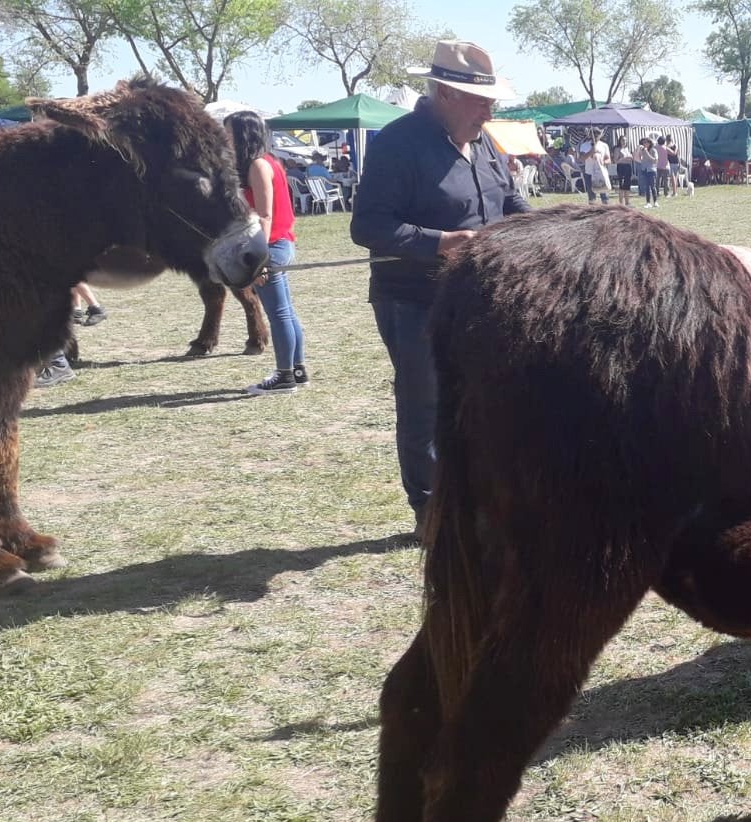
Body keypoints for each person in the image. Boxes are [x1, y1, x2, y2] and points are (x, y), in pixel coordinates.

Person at [350, 39, 529, 536]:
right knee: (424, 403)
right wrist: (439, 242)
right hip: (413, 299)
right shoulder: (397, 143)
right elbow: (368, 226)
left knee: (481, 398)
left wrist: (547, 232)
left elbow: (511, 204)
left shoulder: (485, 141)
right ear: (446, 95)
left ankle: (478, 498)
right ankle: (430, 515)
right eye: (481, 99)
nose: (490, 109)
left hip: (482, 294)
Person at [225, 111, 307, 395]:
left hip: (271, 246)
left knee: (279, 313)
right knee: (286, 311)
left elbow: (265, 216)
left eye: (229, 133)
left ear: (242, 135)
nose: (226, 139)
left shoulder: (259, 165)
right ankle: (297, 370)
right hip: (277, 244)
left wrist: (257, 259)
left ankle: (285, 376)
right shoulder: (268, 162)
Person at [579, 128, 610, 204]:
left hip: (601, 173)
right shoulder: (584, 145)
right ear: (590, 134)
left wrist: (603, 162)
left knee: (604, 196)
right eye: (594, 133)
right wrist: (591, 151)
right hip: (589, 173)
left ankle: (606, 212)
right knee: (592, 197)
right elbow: (582, 159)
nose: (595, 135)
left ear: (600, 135)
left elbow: (608, 159)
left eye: (597, 134)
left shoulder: (604, 145)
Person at [634, 136, 659, 207]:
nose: (644, 144)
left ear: (649, 143)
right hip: (644, 170)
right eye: (643, 142)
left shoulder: (654, 150)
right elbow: (636, 158)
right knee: (647, 187)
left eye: (646, 142)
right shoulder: (642, 150)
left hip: (651, 170)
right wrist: (638, 149)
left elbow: (655, 161)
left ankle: (655, 201)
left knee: (652, 186)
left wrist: (647, 153)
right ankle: (648, 202)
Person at [613, 135, 634, 205]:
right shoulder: (617, 149)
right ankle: (621, 203)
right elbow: (615, 161)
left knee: (627, 185)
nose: (624, 142)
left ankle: (627, 202)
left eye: (625, 140)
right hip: (621, 167)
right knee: (622, 185)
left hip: (628, 167)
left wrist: (630, 157)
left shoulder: (627, 148)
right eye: (622, 140)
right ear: (620, 141)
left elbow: (631, 157)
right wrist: (624, 158)